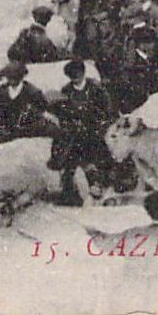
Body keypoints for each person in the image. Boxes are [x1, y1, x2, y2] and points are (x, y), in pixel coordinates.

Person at [48, 58, 114, 206]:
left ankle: (100, 188)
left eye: (78, 74)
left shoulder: (96, 89)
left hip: (94, 132)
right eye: (72, 76)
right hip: (74, 134)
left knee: (99, 159)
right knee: (68, 160)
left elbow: (107, 111)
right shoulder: (66, 91)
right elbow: (62, 114)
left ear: (84, 73)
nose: (76, 78)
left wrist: (98, 126)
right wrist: (70, 124)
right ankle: (70, 192)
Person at [0, 60, 52, 139]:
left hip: (28, 129)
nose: (11, 80)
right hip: (7, 129)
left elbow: (40, 110)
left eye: (15, 77)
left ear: (21, 76)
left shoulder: (33, 92)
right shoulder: (1, 91)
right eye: (9, 76)